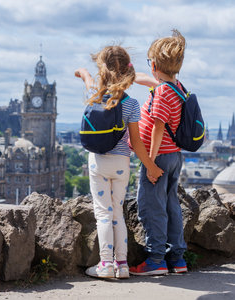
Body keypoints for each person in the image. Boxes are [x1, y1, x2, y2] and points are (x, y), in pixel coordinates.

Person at [75, 45, 164, 279]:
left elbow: (89, 83)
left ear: (101, 70)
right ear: (127, 71)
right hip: (122, 164)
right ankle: (122, 264)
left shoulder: (96, 94)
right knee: (117, 214)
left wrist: (83, 73)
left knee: (103, 214)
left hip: (98, 162)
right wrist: (151, 166)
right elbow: (136, 142)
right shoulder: (132, 104)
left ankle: (105, 264)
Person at [129, 29, 188, 276]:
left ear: (153, 64)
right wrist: (129, 74)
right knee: (171, 206)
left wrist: (150, 163)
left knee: (151, 207)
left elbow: (158, 127)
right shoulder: (176, 86)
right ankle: (177, 258)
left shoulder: (162, 93)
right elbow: (147, 79)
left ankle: (156, 260)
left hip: (160, 157)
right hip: (174, 156)